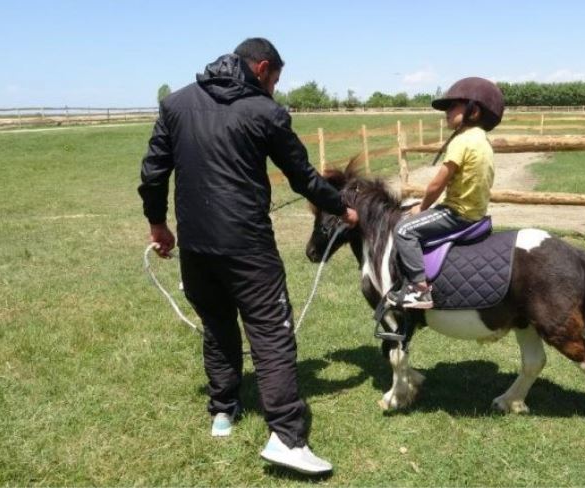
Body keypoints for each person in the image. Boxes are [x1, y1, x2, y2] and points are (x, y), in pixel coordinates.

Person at [138, 37, 358, 475]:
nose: (275, 88)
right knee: (272, 334)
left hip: (197, 248)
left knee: (217, 323)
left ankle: (224, 410)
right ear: (262, 69)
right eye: (275, 79)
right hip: (248, 247)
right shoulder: (266, 112)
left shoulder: (176, 103)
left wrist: (159, 225)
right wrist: (341, 208)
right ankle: (287, 438)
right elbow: (303, 177)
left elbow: (153, 172)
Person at [386, 77, 504, 309]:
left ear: (474, 110)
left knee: (404, 229)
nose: (447, 113)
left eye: (453, 106)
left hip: (457, 213)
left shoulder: (462, 141)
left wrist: (422, 207)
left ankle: (420, 290)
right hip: (475, 211)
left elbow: (436, 185)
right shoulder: (482, 140)